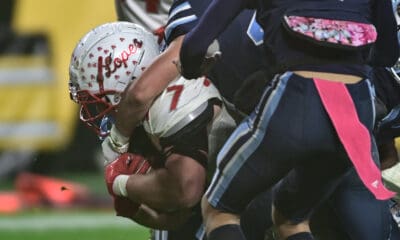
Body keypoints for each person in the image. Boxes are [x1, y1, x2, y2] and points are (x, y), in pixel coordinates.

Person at [178, 0, 399, 239]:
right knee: (291, 220)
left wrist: (190, 69)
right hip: (357, 111)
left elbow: (194, 45)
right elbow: (387, 54)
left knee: (220, 209)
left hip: (297, 97)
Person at [68, 21, 237, 239]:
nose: (97, 112)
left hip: (260, 192)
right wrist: (137, 206)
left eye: (99, 103)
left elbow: (184, 190)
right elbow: (176, 219)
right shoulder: (145, 123)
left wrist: (122, 183)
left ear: (125, 83)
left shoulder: (172, 98)